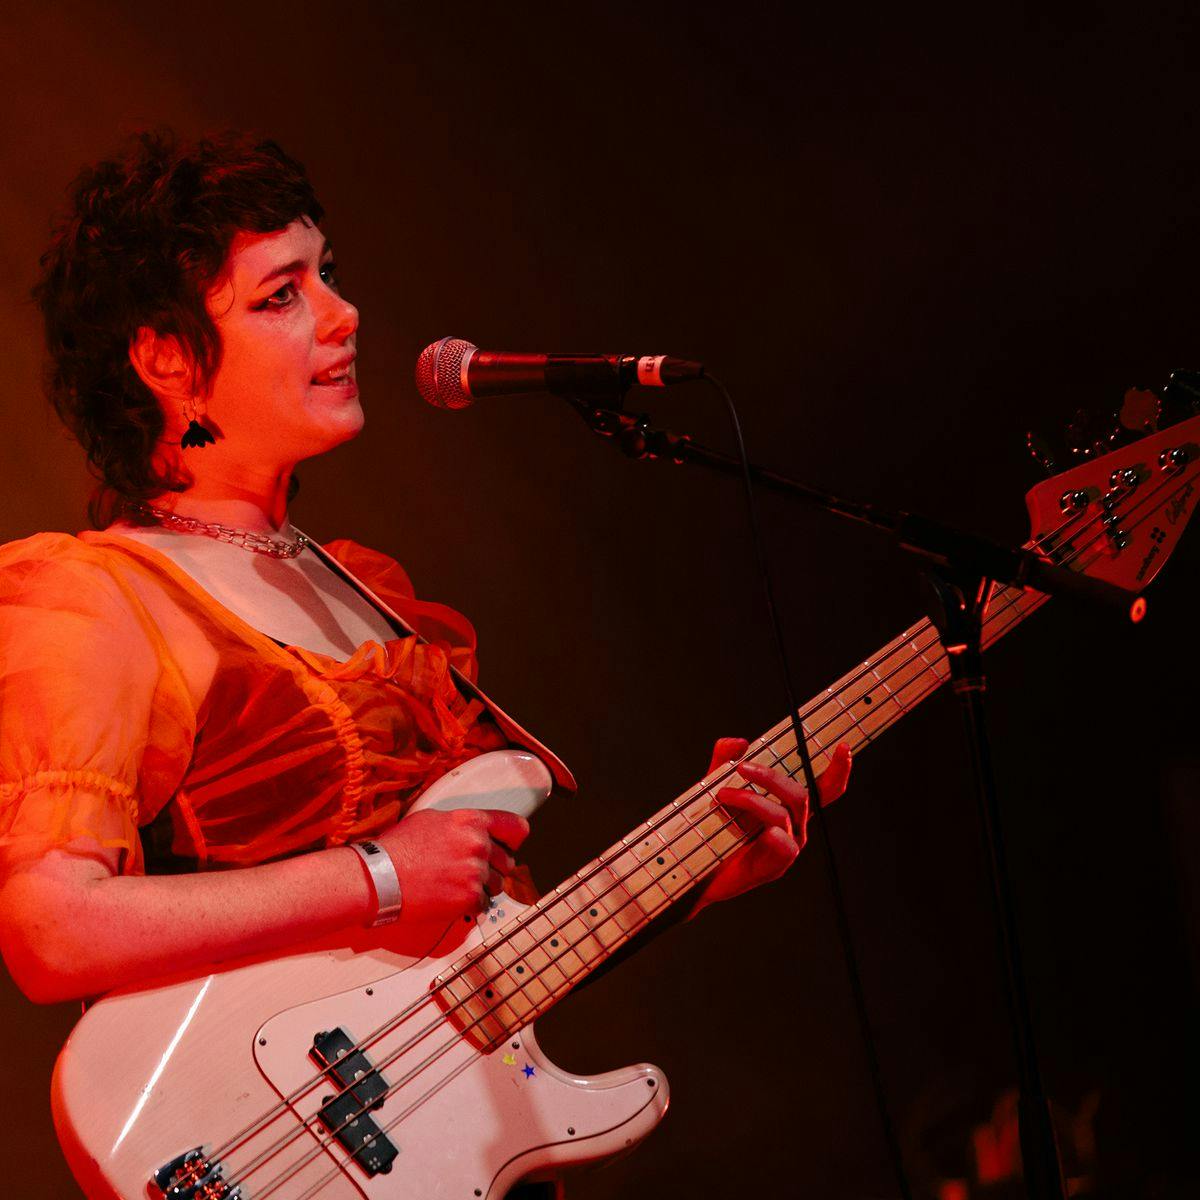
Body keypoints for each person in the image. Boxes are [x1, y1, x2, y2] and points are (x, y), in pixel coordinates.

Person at [0, 131, 851, 1194]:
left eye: (330, 275)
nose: (344, 314)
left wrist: (704, 873)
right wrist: (383, 873)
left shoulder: (374, 591)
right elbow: (49, 926)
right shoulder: (99, 594)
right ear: (165, 358)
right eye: (281, 294)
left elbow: (471, 967)